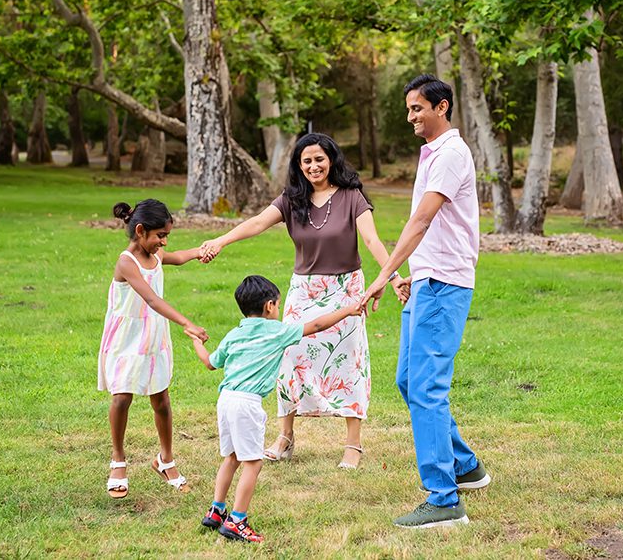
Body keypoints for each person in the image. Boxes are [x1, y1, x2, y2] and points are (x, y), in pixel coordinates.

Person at [200, 133, 405, 469]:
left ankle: (353, 444)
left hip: (345, 289)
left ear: (332, 160)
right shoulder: (291, 199)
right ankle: (286, 436)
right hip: (303, 291)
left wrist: (392, 277)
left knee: (349, 362)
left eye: (319, 159)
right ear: (299, 165)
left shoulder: (352, 196)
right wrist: (221, 240)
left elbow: (371, 239)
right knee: (290, 359)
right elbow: (257, 223)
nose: (313, 166)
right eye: (306, 160)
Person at [360, 74, 491, 528]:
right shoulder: (434, 153)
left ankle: (443, 500)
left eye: (418, 108)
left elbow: (419, 221)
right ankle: (465, 465)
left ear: (443, 106)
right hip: (426, 281)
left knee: (426, 388)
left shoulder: (452, 154)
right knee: (408, 380)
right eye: (409, 109)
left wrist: (382, 277)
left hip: (444, 284)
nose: (411, 116)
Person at [191, 275, 364, 543]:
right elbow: (316, 324)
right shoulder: (277, 331)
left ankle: (217, 511)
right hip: (247, 404)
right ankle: (237, 521)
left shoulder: (234, 334)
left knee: (231, 458)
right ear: (270, 306)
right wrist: (348, 309)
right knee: (252, 463)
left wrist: (197, 343)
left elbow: (211, 363)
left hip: (225, 399)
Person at [98, 199, 210, 499]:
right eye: (160, 235)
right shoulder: (126, 262)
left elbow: (176, 257)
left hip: (153, 336)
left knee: (161, 399)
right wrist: (187, 323)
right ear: (140, 230)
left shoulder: (156, 254)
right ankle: (118, 460)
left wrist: (199, 252)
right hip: (127, 337)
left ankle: (165, 459)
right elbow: (152, 300)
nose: (164, 242)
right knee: (122, 397)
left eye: (166, 236)